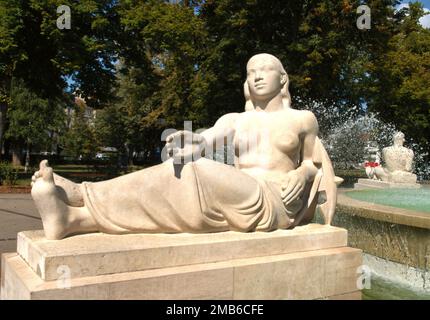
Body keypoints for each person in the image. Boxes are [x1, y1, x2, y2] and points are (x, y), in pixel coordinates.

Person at [31, 53, 335, 240]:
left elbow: (312, 163)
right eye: (250, 71)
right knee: (177, 173)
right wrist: (192, 143)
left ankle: (82, 193)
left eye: (265, 69)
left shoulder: (302, 119)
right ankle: (75, 219)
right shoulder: (235, 119)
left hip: (277, 202)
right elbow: (208, 138)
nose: (256, 75)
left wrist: (302, 175)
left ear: (282, 78)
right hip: (242, 191)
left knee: (196, 170)